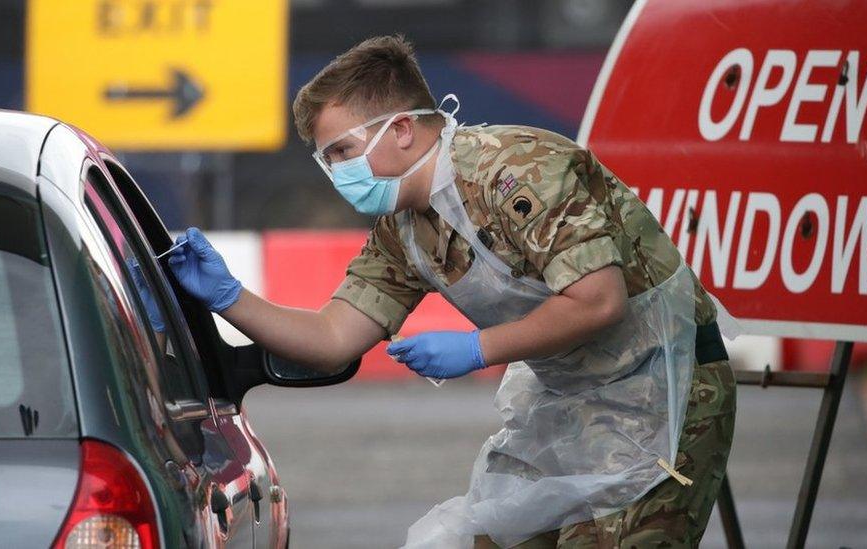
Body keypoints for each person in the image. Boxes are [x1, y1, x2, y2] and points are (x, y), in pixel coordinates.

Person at [167, 35, 736, 548]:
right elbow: (332, 337)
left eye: (341, 151)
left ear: (403, 130)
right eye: (327, 159)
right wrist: (228, 297)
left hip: (663, 396)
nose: (335, 172)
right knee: (492, 539)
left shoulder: (514, 168)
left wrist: (477, 349)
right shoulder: (404, 229)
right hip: (570, 406)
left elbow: (599, 300)